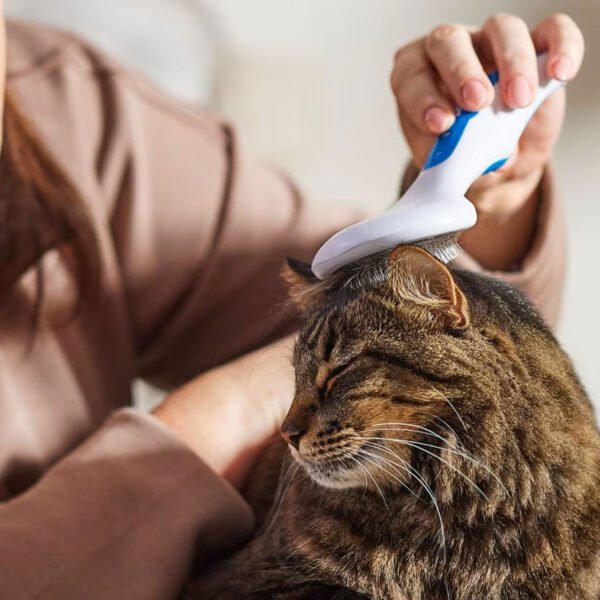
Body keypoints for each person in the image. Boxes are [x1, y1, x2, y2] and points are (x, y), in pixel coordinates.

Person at [0, 10, 583, 600]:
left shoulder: (62, 105)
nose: (290, 427)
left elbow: (472, 346)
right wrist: (210, 423)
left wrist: (484, 197)